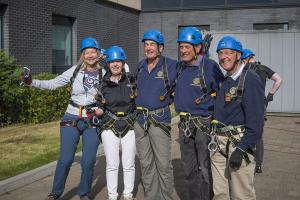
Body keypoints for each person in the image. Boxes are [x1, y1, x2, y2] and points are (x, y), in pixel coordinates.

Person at [19, 37, 103, 200]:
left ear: (98, 54)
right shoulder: (74, 70)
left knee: (88, 161)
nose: (90, 55)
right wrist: (31, 82)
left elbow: (115, 90)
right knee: (65, 159)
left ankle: (84, 193)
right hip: (71, 117)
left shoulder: (104, 73)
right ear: (83, 55)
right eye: (87, 52)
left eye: (93, 52)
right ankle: (56, 193)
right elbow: (53, 84)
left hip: (92, 120)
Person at [211, 36, 265, 200]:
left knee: (241, 194)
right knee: (220, 193)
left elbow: (256, 123)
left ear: (238, 55)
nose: (223, 56)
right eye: (220, 53)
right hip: (218, 144)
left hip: (238, 144)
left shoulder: (250, 80)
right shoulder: (225, 79)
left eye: (229, 52)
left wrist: (241, 149)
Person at [174, 26, 224, 200]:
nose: (183, 50)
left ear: (197, 48)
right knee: (188, 169)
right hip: (185, 125)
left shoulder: (210, 66)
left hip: (204, 125)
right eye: (181, 47)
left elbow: (222, 93)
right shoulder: (179, 68)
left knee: (204, 168)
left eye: (187, 46)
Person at [134, 29, 176, 200]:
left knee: (163, 164)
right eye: (146, 44)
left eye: (152, 44)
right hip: (140, 121)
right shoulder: (140, 66)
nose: (149, 48)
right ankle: (152, 197)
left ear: (161, 48)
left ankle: (167, 197)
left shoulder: (171, 65)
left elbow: (191, 71)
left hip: (159, 120)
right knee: (145, 163)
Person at [96, 46, 136, 200]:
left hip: (129, 125)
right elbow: (99, 104)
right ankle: (112, 196)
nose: (115, 64)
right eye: (112, 61)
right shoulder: (103, 83)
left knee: (129, 163)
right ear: (108, 64)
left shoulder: (132, 80)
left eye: (118, 61)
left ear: (123, 62)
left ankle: (128, 194)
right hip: (109, 126)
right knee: (112, 164)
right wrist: (98, 111)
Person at [241, 48, 283, 173]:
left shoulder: (243, 70)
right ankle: (258, 165)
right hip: (260, 104)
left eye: (242, 60)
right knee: (258, 134)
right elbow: (279, 79)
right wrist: (271, 94)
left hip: (246, 104)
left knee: (243, 130)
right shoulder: (264, 68)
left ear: (246, 58)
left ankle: (245, 158)